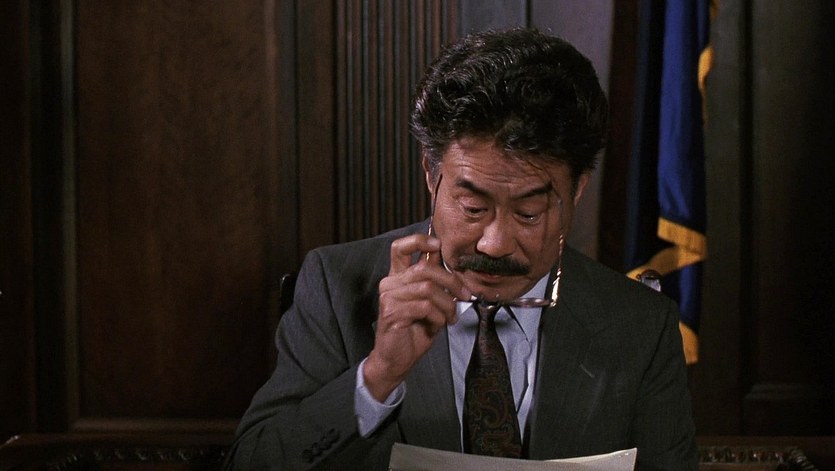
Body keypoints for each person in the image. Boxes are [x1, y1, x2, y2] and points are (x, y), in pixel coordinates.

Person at [224, 28, 698, 470]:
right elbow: (250, 463)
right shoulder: (337, 286)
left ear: (577, 190)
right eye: (473, 207)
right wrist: (378, 376)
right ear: (432, 176)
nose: (494, 243)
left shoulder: (639, 323)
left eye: (529, 213)